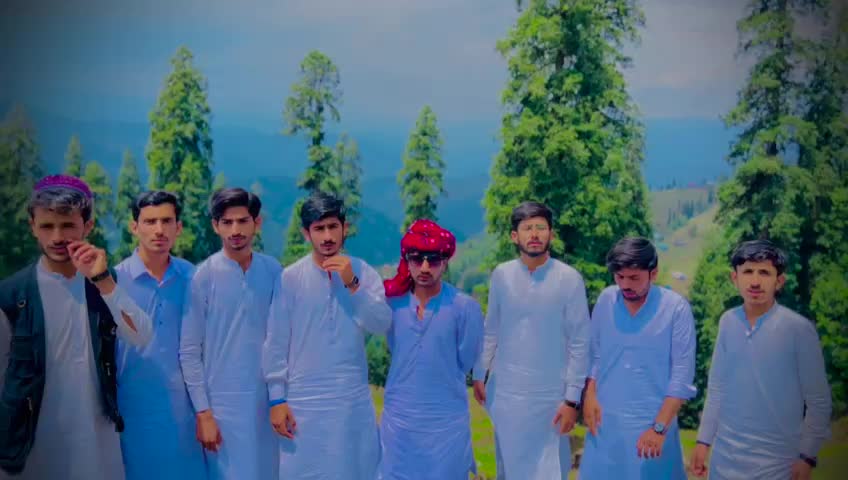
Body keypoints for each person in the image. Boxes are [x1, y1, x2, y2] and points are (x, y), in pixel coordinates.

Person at [0, 175, 153, 480]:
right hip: (33, 442)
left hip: (96, 437)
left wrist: (102, 281)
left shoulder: (104, 282)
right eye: (47, 226)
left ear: (87, 226)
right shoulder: (11, 295)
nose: (57, 237)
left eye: (68, 225)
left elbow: (141, 336)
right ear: (33, 227)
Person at [263, 192, 391, 479]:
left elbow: (381, 323)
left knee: (356, 469)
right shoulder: (290, 278)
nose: (328, 236)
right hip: (303, 403)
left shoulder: (363, 272)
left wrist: (352, 284)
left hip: (351, 401)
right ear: (306, 233)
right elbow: (276, 343)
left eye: (333, 226)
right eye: (319, 228)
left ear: (345, 228)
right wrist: (276, 400)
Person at [690, 240, 831, 480]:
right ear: (735, 278)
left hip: (778, 465)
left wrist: (807, 456)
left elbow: (819, 401)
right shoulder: (728, 322)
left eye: (764, 273)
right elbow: (717, 388)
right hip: (725, 462)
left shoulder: (798, 330)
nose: (755, 282)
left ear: (779, 281)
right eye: (748, 272)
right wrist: (703, 441)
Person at [472, 201, 591, 479]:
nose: (534, 234)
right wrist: (479, 373)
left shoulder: (569, 279)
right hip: (507, 395)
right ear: (515, 236)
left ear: (552, 234)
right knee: (508, 468)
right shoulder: (502, 275)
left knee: (550, 469)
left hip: (551, 399)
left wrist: (572, 400)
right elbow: (492, 329)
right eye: (527, 228)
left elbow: (580, 343)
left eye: (540, 228)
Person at [179, 187, 280, 479]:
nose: (236, 230)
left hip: (267, 405)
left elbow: (281, 340)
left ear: (257, 223)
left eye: (243, 221)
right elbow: (189, 351)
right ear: (215, 225)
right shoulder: (203, 276)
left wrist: (280, 399)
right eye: (227, 222)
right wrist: (204, 413)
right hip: (221, 407)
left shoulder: (273, 271)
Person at [579, 237, 696, 479]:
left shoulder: (676, 309)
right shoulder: (606, 300)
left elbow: (681, 377)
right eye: (619, 277)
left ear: (654, 273)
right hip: (605, 425)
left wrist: (659, 428)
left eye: (634, 278)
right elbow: (596, 355)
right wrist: (589, 395)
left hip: (653, 427)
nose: (625, 285)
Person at [379, 219, 484, 479]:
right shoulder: (391, 303)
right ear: (407, 260)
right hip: (399, 421)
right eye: (417, 259)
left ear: (445, 262)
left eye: (433, 260)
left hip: (446, 424)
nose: (425, 268)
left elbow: (466, 361)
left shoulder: (465, 307)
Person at [113, 191, 206, 479]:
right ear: (134, 227)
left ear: (179, 227)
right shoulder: (115, 281)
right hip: (131, 411)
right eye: (150, 221)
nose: (159, 230)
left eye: (167, 221)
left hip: (184, 414)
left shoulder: (193, 277)